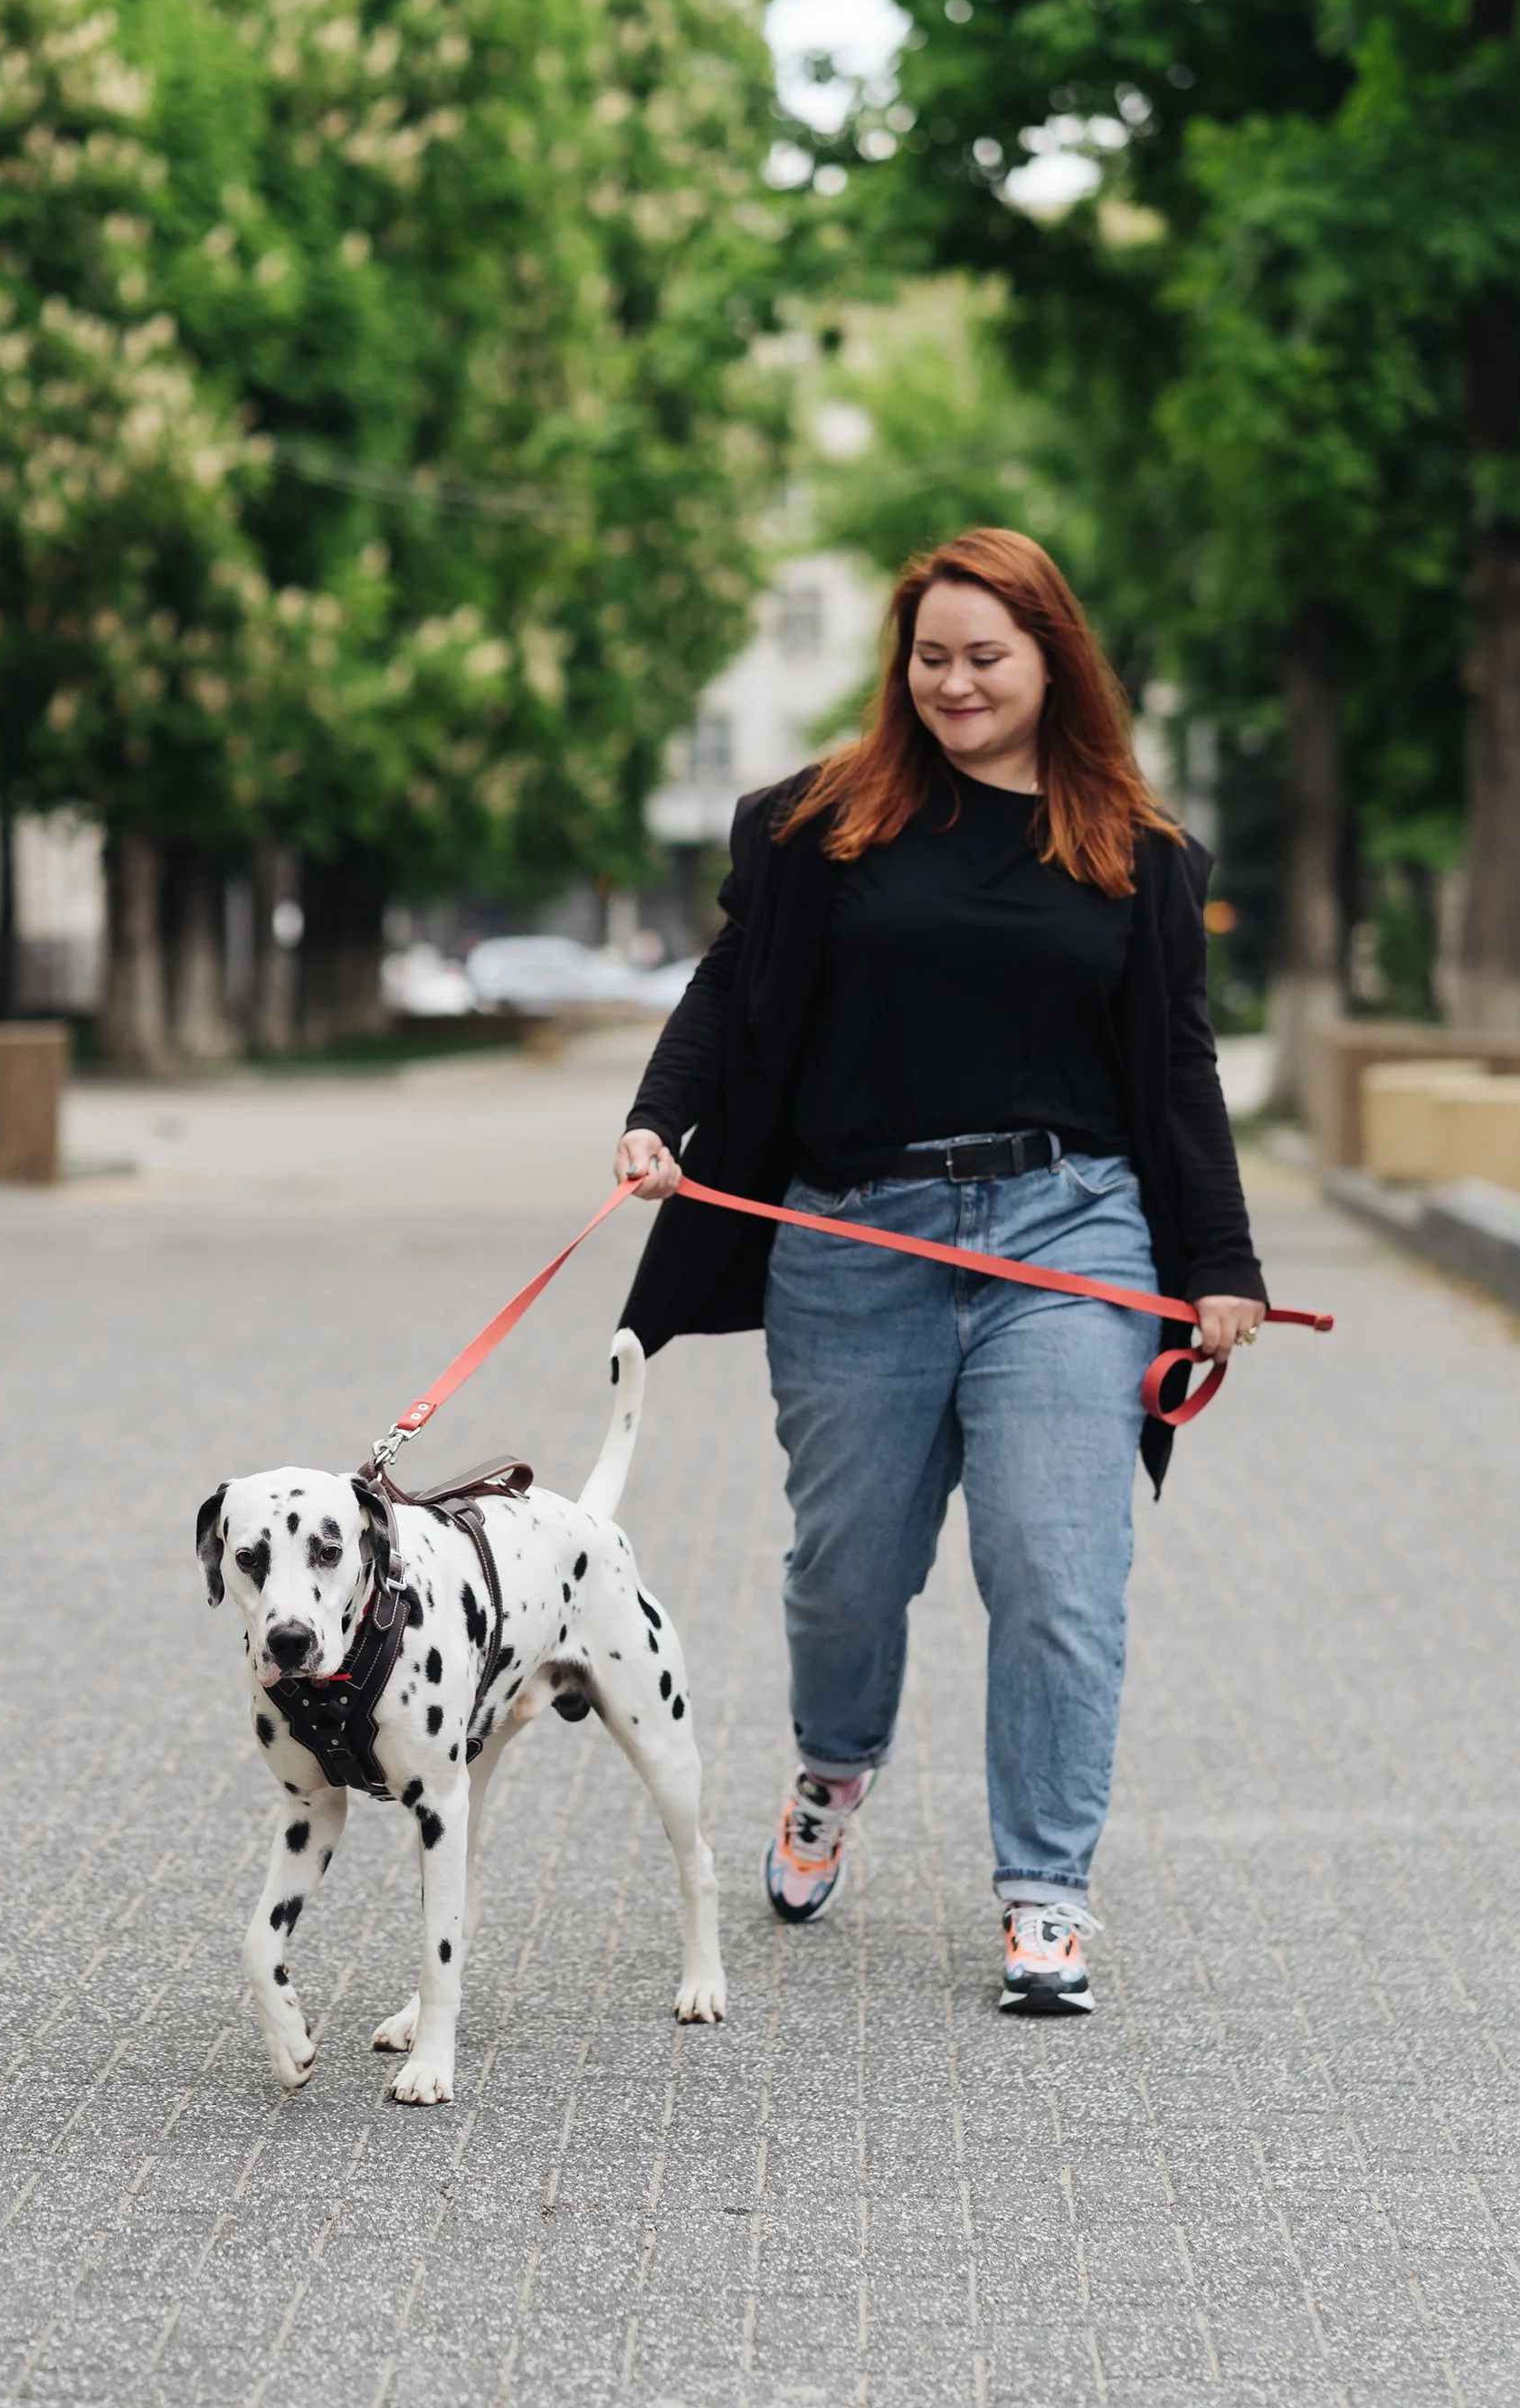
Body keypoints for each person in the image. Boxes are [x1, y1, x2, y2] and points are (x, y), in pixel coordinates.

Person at [613, 528, 1266, 2017]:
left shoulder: (1134, 856)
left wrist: (1218, 1257)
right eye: (933, 657)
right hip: (853, 1238)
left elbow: (1175, 1065)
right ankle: (834, 1767)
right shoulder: (823, 824)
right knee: (850, 1574)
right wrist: (661, 1119)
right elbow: (730, 981)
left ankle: (1046, 1892)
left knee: (1055, 1566)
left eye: (988, 658)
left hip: (1070, 1231)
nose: (956, 683)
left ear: (1053, 663)